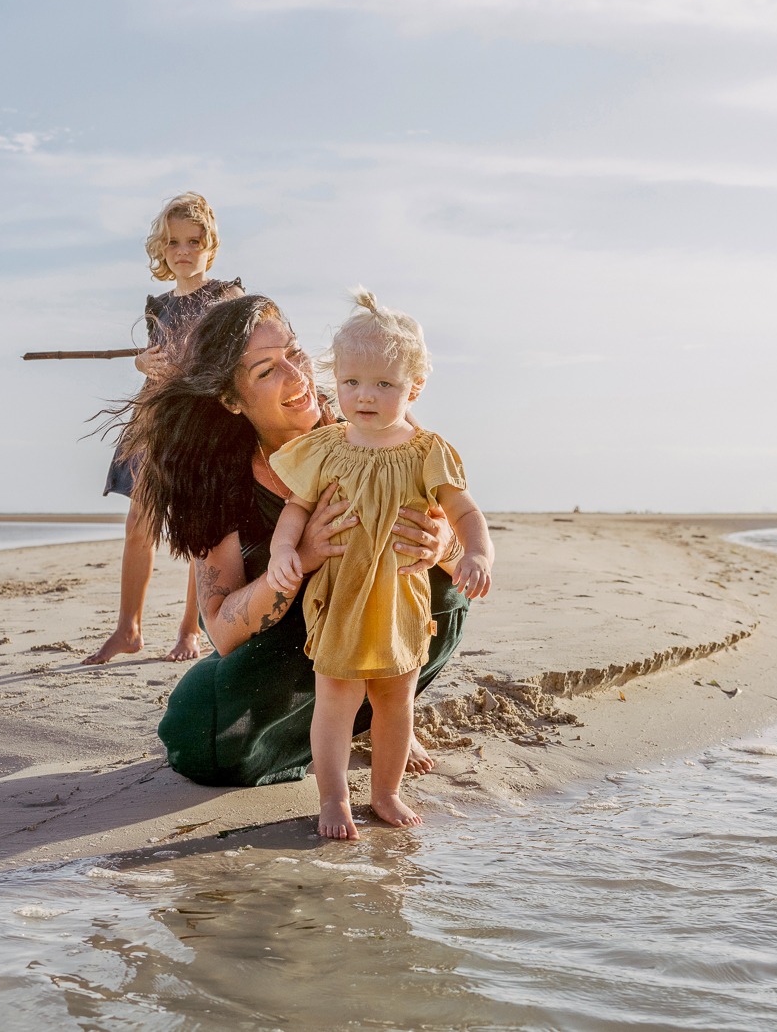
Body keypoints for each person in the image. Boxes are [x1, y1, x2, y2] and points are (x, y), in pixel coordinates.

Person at [121, 293, 472, 794]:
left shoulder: (368, 423)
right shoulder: (213, 476)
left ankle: (383, 714)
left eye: (294, 352)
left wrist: (444, 546)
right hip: (281, 637)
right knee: (205, 734)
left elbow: (458, 525)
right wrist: (302, 555)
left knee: (445, 596)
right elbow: (221, 629)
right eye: (266, 370)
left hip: (385, 617)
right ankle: (339, 725)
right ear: (232, 400)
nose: (297, 375)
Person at [265, 291, 493, 838]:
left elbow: (464, 510)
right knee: (336, 701)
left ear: (413, 388)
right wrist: (281, 553)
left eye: (384, 384)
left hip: (400, 600)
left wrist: (479, 552)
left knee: (396, 700)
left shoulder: (425, 451)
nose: (365, 395)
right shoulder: (325, 447)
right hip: (340, 597)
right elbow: (295, 509)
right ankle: (334, 799)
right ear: (335, 381)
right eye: (351, 382)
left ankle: (387, 793)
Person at [86, 192, 243, 665]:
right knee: (139, 524)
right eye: (174, 242)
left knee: (199, 534)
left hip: (201, 424)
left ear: (209, 244)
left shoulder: (225, 296)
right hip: (154, 420)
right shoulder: (158, 303)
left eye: (194, 241)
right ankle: (128, 629)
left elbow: (234, 357)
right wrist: (140, 362)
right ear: (162, 248)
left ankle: (190, 630)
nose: (184, 251)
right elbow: (156, 359)